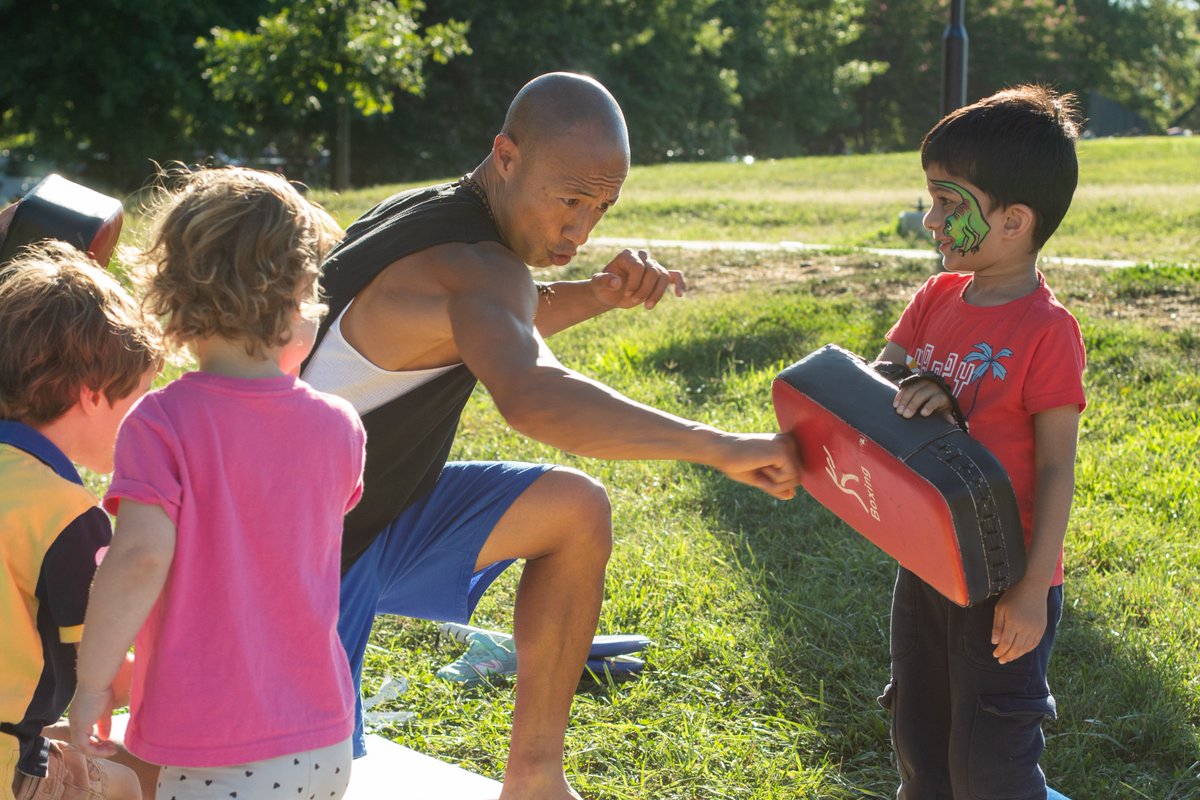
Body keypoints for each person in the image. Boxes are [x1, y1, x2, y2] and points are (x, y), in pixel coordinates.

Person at [298, 71, 801, 799]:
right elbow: (532, 394)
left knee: (573, 511)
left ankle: (534, 780)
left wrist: (597, 295)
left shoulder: (424, 216)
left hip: (369, 519)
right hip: (294, 559)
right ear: (506, 156)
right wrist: (713, 444)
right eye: (569, 201)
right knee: (305, 781)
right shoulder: (478, 267)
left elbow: (490, 320)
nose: (580, 229)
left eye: (602, 206)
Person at [68, 167, 367, 800]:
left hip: (216, 749)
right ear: (299, 296)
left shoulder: (162, 422)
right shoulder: (339, 426)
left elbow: (142, 556)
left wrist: (93, 684)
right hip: (325, 738)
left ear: (172, 295)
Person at [874, 85, 1087, 799]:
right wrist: (914, 389)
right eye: (929, 200)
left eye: (946, 202)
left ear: (1013, 221)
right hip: (926, 565)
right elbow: (880, 388)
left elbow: (1057, 464)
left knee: (989, 763)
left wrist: (1032, 590)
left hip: (1005, 579)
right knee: (921, 739)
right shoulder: (935, 298)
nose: (930, 219)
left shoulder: (1046, 332)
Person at [1, 240, 163, 800]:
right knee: (133, 780)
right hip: (5, 766)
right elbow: (110, 677)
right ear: (91, 394)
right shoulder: (69, 515)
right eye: (142, 398)